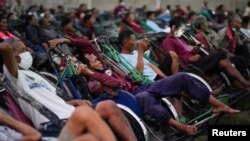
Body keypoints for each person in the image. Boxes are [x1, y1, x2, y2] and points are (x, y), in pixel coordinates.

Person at [48, 36, 240, 135]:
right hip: (128, 98)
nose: (94, 57)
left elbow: (88, 46)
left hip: (140, 87)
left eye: (93, 56)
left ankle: (216, 103)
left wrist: (67, 41)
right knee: (146, 98)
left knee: (181, 77)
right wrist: (91, 73)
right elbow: (114, 85)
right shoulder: (91, 81)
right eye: (91, 59)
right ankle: (178, 126)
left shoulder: (103, 63)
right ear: (87, 65)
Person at [0, 39, 137, 141]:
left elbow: (53, 101)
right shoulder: (13, 76)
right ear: (15, 58)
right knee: (86, 116)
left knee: (108, 106)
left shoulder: (36, 75)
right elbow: (5, 47)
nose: (29, 51)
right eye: (24, 50)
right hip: (53, 126)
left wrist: (77, 101)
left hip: (71, 113)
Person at [161, 16, 250, 88]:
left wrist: (193, 50)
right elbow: (172, 59)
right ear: (174, 28)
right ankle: (244, 83)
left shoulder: (180, 39)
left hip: (197, 61)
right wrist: (190, 58)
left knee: (222, 62)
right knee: (221, 54)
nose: (183, 31)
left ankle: (243, 84)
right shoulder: (168, 41)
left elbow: (185, 51)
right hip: (190, 66)